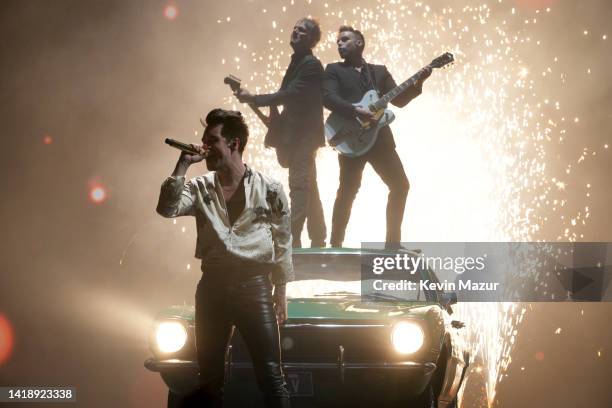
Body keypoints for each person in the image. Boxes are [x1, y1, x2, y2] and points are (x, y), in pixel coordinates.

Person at [156, 109, 292, 408]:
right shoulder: (199, 186)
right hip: (213, 288)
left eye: (212, 140)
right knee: (209, 379)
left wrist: (280, 291)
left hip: (254, 287)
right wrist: (182, 164)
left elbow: (283, 241)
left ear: (234, 143)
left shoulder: (269, 188)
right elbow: (167, 208)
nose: (204, 148)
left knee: (271, 377)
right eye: (203, 141)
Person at [322, 25, 432, 249]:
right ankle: (335, 244)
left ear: (359, 43)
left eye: (344, 40)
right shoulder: (334, 70)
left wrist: (419, 82)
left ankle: (393, 244)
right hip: (351, 138)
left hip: (380, 140)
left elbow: (399, 101)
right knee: (347, 191)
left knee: (400, 186)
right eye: (338, 42)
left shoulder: (379, 72)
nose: (339, 44)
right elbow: (327, 97)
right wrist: (355, 111)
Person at [235, 18, 327, 249]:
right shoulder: (297, 62)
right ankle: (318, 238)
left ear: (311, 39)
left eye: (302, 30)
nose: (295, 31)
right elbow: (291, 102)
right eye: (295, 27)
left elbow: (290, 95)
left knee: (298, 186)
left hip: (304, 138)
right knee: (309, 186)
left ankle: (291, 239)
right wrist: (274, 121)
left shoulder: (311, 65)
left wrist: (254, 98)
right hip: (296, 137)